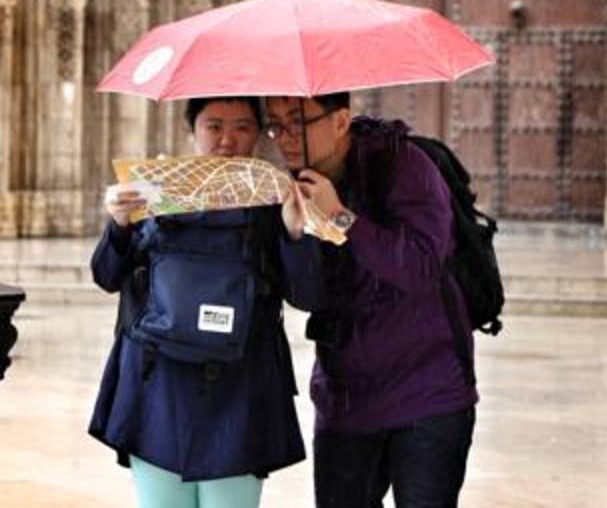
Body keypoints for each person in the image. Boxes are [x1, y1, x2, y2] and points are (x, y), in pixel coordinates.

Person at [89, 96, 323, 508]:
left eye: (243, 127)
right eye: (214, 126)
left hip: (241, 388)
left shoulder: (274, 197)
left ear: (258, 133)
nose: (227, 140)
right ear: (192, 130)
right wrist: (120, 224)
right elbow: (106, 275)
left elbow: (306, 295)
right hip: (158, 384)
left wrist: (295, 235)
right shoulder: (153, 190)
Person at [263, 93, 477, 508]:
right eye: (274, 124)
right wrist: (292, 235)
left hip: (428, 390)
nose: (284, 137)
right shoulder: (294, 185)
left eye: (296, 121)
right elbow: (307, 297)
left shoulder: (405, 165)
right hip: (347, 398)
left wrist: (342, 217)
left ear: (341, 121)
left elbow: (420, 269)